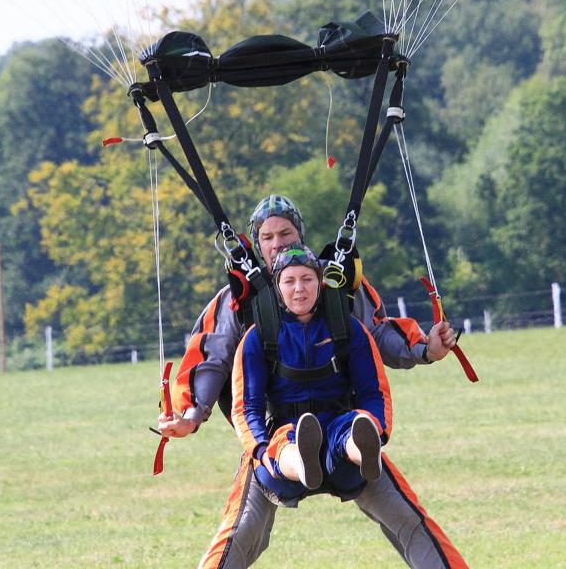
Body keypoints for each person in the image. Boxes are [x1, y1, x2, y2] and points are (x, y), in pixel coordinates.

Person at [158, 195, 469, 568]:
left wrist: (425, 349)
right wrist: (191, 415)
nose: (278, 243)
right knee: (241, 534)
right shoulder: (235, 302)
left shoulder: (337, 289)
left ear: (300, 236)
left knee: (410, 520)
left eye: (286, 233)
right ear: (257, 244)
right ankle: (303, 460)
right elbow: (211, 357)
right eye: (268, 237)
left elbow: (377, 333)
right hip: (273, 437)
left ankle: (359, 446)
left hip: (343, 427)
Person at [234, 243, 391, 505]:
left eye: (307, 279)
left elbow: (374, 391)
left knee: (353, 426)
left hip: (339, 435)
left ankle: (363, 452)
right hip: (286, 437)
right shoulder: (258, 337)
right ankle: (303, 464)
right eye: (289, 281)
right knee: (283, 443)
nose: (299, 288)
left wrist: (376, 427)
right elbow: (247, 407)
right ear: (277, 287)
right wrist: (260, 448)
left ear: (320, 283)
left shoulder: (347, 327)